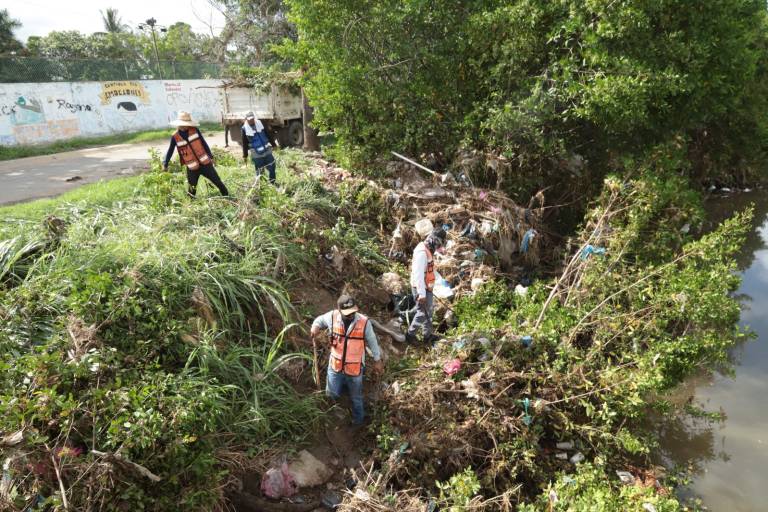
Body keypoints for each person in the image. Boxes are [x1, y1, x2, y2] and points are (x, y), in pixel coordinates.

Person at [310, 294, 383, 425]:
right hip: (335, 366)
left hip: (354, 369)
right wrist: (315, 326)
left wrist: (377, 360)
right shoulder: (332, 316)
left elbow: (373, 342)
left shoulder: (364, 322)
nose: (351, 315)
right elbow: (319, 320)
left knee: (356, 398)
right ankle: (332, 418)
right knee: (331, 394)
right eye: (348, 313)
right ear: (339, 310)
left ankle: (358, 422)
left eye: (353, 312)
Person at [163, 111, 229, 198]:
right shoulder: (175, 137)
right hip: (192, 167)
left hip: (205, 163)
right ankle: (190, 204)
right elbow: (170, 151)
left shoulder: (194, 130)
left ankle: (227, 196)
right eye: (183, 124)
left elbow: (203, 143)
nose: (185, 126)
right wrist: (165, 163)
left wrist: (211, 156)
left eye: (187, 124)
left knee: (217, 181)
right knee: (192, 190)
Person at [406, 227, 447, 344]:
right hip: (420, 288)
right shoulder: (422, 253)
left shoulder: (427, 248)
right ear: (435, 240)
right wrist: (421, 294)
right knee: (422, 313)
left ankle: (427, 336)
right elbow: (418, 274)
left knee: (429, 311)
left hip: (426, 286)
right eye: (439, 244)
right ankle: (410, 335)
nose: (438, 247)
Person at [241, 111, 278, 184]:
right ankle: (261, 185)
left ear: (254, 118)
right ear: (246, 119)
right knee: (260, 170)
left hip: (267, 150)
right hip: (256, 153)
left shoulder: (260, 123)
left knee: (272, 166)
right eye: (249, 120)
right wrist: (245, 155)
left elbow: (268, 134)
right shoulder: (244, 129)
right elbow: (244, 143)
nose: (251, 121)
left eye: (252, 119)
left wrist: (274, 145)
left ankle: (272, 182)